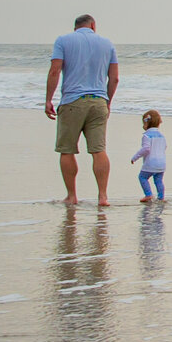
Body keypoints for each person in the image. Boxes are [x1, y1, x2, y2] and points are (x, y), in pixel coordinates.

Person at [43, 14, 120, 205]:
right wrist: (108, 102)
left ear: (75, 27)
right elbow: (115, 78)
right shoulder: (107, 43)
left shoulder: (63, 41)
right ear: (93, 25)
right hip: (99, 101)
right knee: (98, 150)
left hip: (72, 101)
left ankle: (72, 196)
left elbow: (55, 71)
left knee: (67, 150)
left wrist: (48, 100)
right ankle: (103, 196)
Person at [132, 109, 167, 200]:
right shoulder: (162, 136)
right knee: (158, 181)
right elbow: (165, 147)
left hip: (151, 162)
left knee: (142, 177)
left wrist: (135, 157)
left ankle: (148, 194)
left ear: (146, 123)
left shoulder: (146, 136)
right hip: (161, 163)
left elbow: (146, 149)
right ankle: (161, 197)